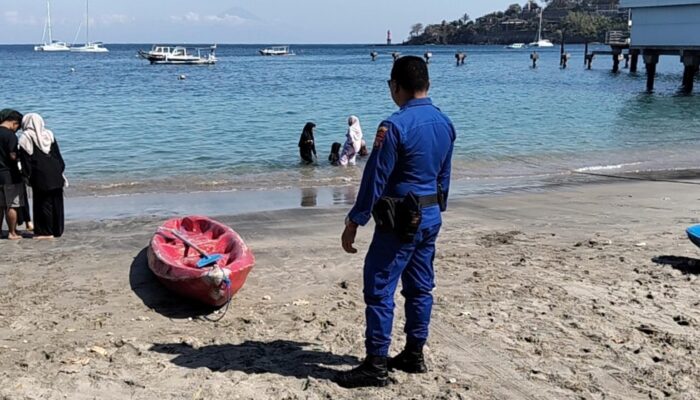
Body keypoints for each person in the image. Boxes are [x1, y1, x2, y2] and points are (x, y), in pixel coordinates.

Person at [337, 56, 456, 388]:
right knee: (420, 287)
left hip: (400, 220)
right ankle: (414, 354)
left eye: (391, 85)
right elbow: (443, 177)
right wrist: (436, 210)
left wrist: (355, 219)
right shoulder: (445, 123)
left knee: (378, 288)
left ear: (396, 86)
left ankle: (376, 363)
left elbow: (375, 177)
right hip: (430, 216)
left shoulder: (394, 127)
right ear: (427, 85)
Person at [19, 113, 66, 239]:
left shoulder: (26, 137)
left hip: (40, 174)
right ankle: (57, 230)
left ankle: (45, 232)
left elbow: (26, 160)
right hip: (56, 172)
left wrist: (26, 176)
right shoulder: (49, 134)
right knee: (57, 202)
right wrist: (60, 171)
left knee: (42, 204)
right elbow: (58, 156)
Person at [0, 109, 25, 240]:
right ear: (14, 123)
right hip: (9, 174)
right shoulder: (10, 136)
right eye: (18, 127)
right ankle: (12, 232)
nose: (17, 130)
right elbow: (12, 155)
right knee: (11, 205)